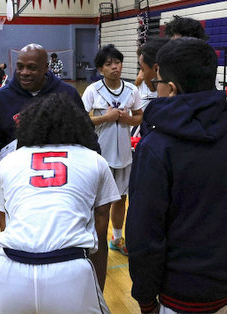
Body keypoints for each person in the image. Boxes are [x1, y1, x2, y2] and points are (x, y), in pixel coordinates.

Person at [125, 38, 227, 314]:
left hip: (181, 293)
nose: (154, 87)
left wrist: (146, 298)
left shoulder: (156, 145)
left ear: (170, 89)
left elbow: (144, 232)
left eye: (156, 81)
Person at [0, 92, 120, 313]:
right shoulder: (95, 160)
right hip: (70, 270)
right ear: (76, 124)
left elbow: (5, 225)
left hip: (11, 270)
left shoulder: (8, 162)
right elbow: (100, 230)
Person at [0, 43, 89, 190]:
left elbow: (87, 136)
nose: (24, 72)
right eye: (20, 66)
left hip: (64, 182)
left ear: (46, 67)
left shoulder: (67, 94)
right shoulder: (0, 100)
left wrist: (89, 169)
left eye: (32, 67)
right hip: (16, 183)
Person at [82, 44, 143, 257]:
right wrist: (105, 118)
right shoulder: (92, 90)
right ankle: (92, 240)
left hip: (125, 154)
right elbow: (81, 120)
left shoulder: (132, 90)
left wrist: (128, 119)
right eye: (109, 64)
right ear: (100, 69)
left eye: (117, 63)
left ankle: (117, 238)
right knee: (97, 201)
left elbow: (139, 116)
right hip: (99, 155)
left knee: (120, 199)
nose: (114, 67)